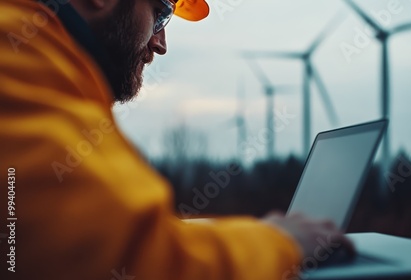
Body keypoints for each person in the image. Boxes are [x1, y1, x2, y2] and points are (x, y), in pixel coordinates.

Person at [0, 0, 355, 279]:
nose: (161, 43)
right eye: (159, 14)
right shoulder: (16, 66)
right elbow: (131, 264)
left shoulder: (33, 67)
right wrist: (282, 245)